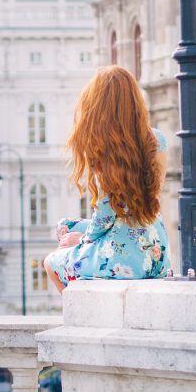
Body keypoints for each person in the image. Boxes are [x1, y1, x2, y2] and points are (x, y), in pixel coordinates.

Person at [44, 65, 171, 292]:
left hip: (123, 257)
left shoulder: (106, 150)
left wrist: (83, 241)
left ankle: (80, 319)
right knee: (66, 226)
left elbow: (105, 214)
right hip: (156, 251)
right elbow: (152, 194)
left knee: (50, 262)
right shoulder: (158, 140)